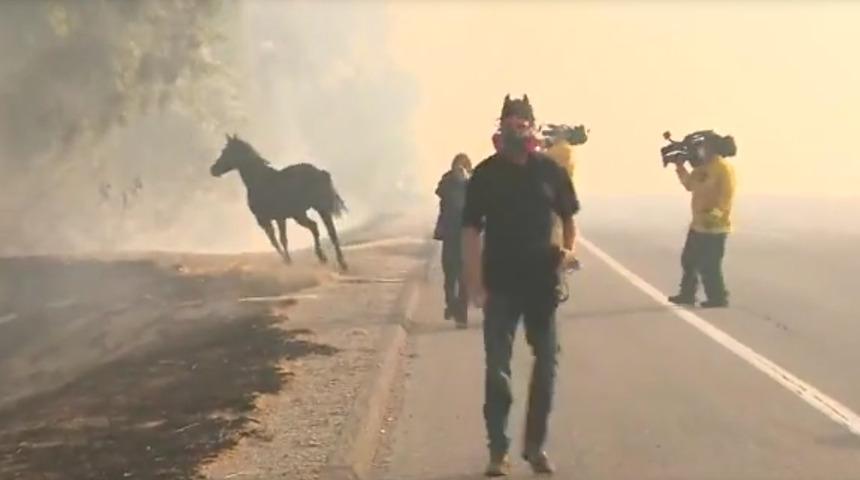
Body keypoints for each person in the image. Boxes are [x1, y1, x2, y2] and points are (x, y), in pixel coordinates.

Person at [462, 94, 580, 476]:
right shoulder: (485, 174)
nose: (517, 128)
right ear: (501, 126)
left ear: (532, 126)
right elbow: (470, 231)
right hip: (500, 285)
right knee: (498, 370)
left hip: (542, 285)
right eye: (510, 122)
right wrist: (475, 283)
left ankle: (534, 447)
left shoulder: (550, 171)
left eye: (523, 122)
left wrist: (567, 253)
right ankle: (498, 451)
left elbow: (569, 218)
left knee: (546, 365)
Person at [668, 131, 737, 308]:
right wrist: (680, 167)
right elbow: (690, 185)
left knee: (710, 264)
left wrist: (714, 216)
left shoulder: (722, 169)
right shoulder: (703, 168)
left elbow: (725, 198)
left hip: (715, 227)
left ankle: (718, 297)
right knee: (689, 260)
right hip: (699, 225)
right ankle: (687, 294)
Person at [434, 153, 472, 327]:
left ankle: (456, 309)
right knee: (458, 276)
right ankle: (458, 311)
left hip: (455, 234)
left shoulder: (450, 182)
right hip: (460, 234)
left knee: (454, 276)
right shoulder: (467, 183)